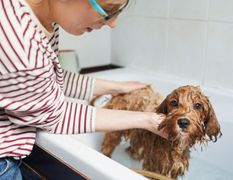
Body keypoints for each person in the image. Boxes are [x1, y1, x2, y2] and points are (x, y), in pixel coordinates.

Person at [0, 0, 167, 179]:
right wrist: (148, 120)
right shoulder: (20, 40)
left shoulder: (36, 14)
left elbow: (46, 77)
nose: (113, 23)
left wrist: (113, 87)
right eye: (108, 10)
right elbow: (56, 117)